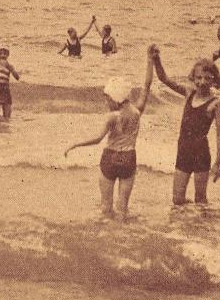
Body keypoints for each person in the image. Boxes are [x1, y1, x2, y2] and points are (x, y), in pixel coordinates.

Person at [64, 49, 154, 222]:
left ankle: (107, 235)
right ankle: (119, 236)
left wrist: (75, 144)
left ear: (115, 98)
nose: (106, 102)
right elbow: (147, 87)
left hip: (110, 158)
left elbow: (98, 139)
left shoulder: (112, 117)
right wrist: (150, 61)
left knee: (106, 207)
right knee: (122, 209)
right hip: (129, 158)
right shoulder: (137, 111)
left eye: (108, 99)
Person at [151, 47, 220, 205]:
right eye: (198, 78)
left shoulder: (216, 104)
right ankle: (184, 224)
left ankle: (201, 226)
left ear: (213, 80)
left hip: (201, 153)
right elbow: (164, 78)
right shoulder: (188, 92)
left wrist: (217, 163)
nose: (202, 82)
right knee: (177, 199)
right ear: (193, 77)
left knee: (200, 199)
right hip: (183, 149)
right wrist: (157, 60)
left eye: (207, 78)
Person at [0, 45, 21, 118]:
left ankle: (5, 127)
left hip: (5, 92)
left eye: (5, 53)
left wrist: (11, 69)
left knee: (7, 118)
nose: (2, 55)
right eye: (0, 53)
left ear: (8, 55)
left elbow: (17, 77)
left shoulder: (9, 66)